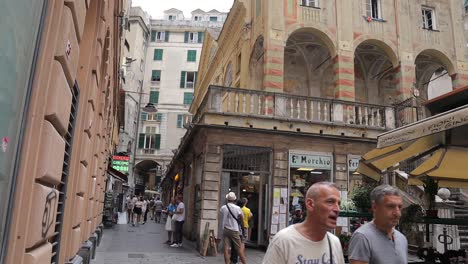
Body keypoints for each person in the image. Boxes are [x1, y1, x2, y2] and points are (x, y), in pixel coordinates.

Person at [262, 182, 345, 264]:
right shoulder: (283, 241)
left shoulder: (334, 243)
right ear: (310, 204)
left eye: (339, 203)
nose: (337, 209)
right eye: (330, 202)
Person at [348, 184, 407, 264]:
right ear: (375, 207)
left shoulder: (402, 239)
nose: (397, 213)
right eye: (390, 206)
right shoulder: (362, 237)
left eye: (399, 207)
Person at [220, 192, 247, 264]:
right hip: (234, 230)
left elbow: (222, 213)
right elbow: (242, 218)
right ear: (234, 200)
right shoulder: (237, 208)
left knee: (226, 248)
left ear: (227, 199)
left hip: (226, 229)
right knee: (239, 249)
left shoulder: (223, 207)